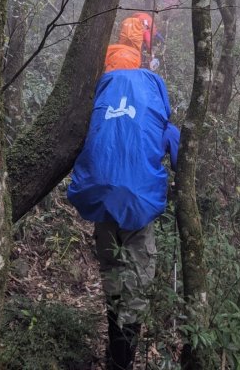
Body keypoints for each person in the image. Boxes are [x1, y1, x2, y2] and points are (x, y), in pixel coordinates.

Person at [67, 60, 179, 370]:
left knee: (113, 281)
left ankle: (114, 353)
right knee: (136, 287)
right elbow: (182, 160)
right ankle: (123, 361)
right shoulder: (158, 124)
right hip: (139, 211)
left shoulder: (100, 115)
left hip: (102, 204)